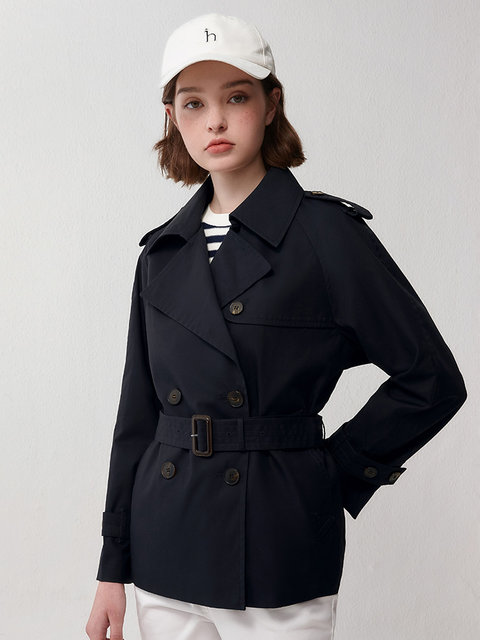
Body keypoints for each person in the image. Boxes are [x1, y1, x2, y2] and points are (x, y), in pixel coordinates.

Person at [85, 12, 468, 640]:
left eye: (236, 97)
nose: (215, 120)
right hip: (165, 541)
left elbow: (431, 378)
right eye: (194, 103)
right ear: (173, 119)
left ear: (270, 105)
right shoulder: (162, 253)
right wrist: (112, 566)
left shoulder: (329, 236)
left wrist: (335, 471)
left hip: (278, 542)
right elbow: (137, 416)